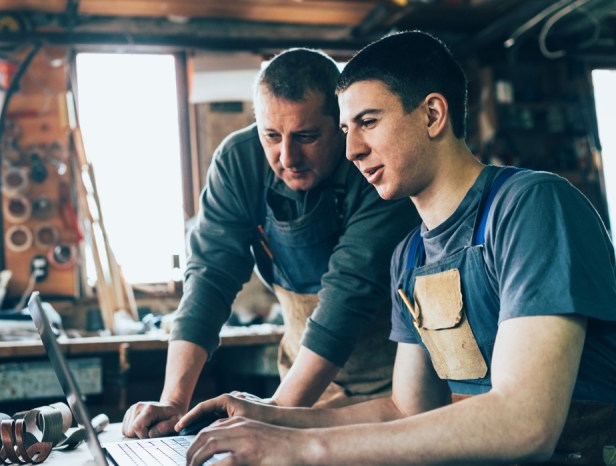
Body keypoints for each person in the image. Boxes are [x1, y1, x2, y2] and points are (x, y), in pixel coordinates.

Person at [177, 31, 616, 465]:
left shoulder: (531, 207)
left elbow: (526, 425)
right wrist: (270, 418)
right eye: (347, 129)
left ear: (432, 114)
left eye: (368, 122)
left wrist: (300, 447)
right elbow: (405, 409)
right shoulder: (411, 256)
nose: (351, 150)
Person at [122, 48, 419, 438]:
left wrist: (276, 413)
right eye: (272, 136)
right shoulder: (238, 161)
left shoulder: (373, 167)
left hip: (393, 389)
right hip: (303, 380)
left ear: (341, 126)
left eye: (306, 137)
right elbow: (209, 279)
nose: (288, 156)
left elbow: (350, 295)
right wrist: (174, 401)